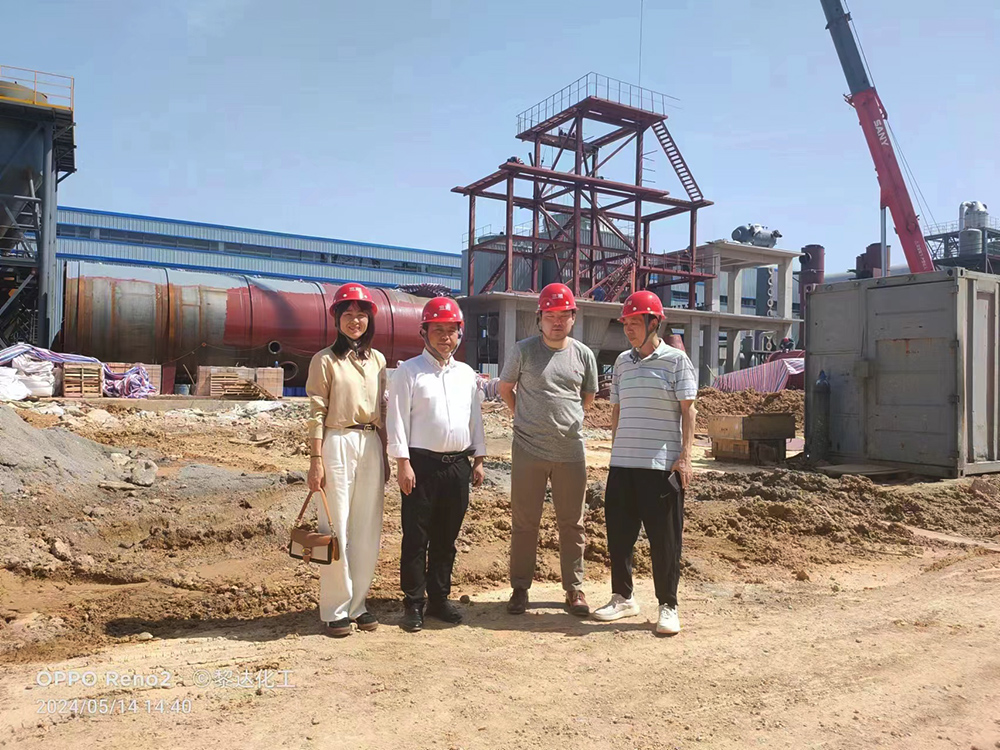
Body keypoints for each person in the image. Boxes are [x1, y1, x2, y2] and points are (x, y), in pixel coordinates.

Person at [592, 290, 697, 635]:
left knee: (664, 541)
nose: (628, 329)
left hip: (660, 467)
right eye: (626, 323)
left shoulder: (676, 361)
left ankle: (668, 605)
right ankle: (622, 597)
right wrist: (615, 450)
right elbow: (616, 410)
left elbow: (689, 411)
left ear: (654, 323)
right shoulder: (622, 362)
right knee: (619, 537)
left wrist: (685, 457)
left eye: (635, 323)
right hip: (623, 465)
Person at [498, 283, 599, 617]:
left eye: (563, 315)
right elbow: (505, 388)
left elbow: (587, 397)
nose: (557, 321)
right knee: (525, 522)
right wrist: (524, 417)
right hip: (528, 449)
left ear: (573, 317)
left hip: (571, 452)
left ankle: (574, 588)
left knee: (573, 523)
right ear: (539, 317)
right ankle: (520, 588)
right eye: (551, 315)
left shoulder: (583, 355)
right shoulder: (524, 351)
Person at [386, 297, 486, 633]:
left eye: (451, 330)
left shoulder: (466, 374)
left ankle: (439, 599)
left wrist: (479, 458)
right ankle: (413, 603)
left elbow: (474, 419)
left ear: (460, 334)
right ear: (424, 332)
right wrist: (403, 463)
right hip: (421, 466)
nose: (445, 337)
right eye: (437, 330)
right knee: (416, 538)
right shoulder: (409, 372)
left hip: (457, 465)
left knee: (447, 538)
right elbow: (396, 420)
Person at [305, 283, 390, 637]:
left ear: (370, 319)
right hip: (337, 440)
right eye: (348, 314)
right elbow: (316, 411)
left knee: (367, 526)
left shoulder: (378, 360)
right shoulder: (325, 360)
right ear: (337, 319)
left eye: (361, 315)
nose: (355, 321)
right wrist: (315, 459)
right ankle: (335, 609)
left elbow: (382, 409)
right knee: (335, 526)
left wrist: (385, 453)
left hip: (370, 441)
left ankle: (358, 604)